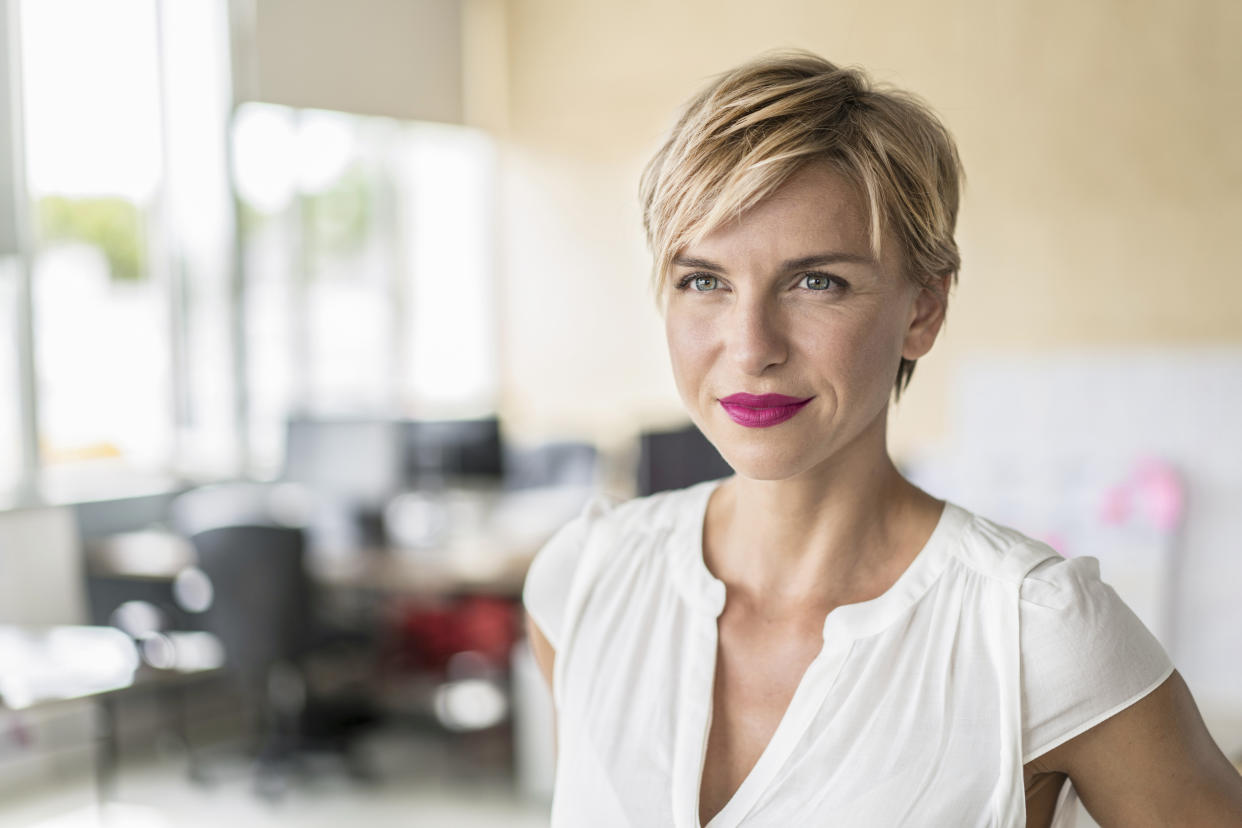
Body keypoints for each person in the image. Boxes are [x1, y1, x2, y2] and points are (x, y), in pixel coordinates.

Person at [522, 51, 1242, 827]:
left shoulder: (1035, 630)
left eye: (815, 282)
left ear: (923, 311)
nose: (751, 345)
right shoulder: (583, 581)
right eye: (705, 281)